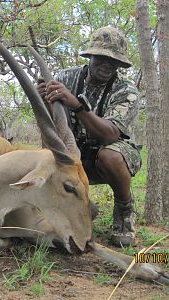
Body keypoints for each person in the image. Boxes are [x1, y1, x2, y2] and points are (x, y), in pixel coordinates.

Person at [37, 27, 141, 247]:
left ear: (120, 65)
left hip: (108, 155)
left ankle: (124, 210)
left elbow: (110, 135)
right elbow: (52, 125)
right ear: (90, 56)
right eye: (101, 58)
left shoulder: (126, 89)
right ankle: (79, 207)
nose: (107, 65)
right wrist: (44, 100)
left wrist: (77, 105)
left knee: (110, 156)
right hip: (74, 154)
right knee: (47, 156)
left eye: (114, 61)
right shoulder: (65, 77)